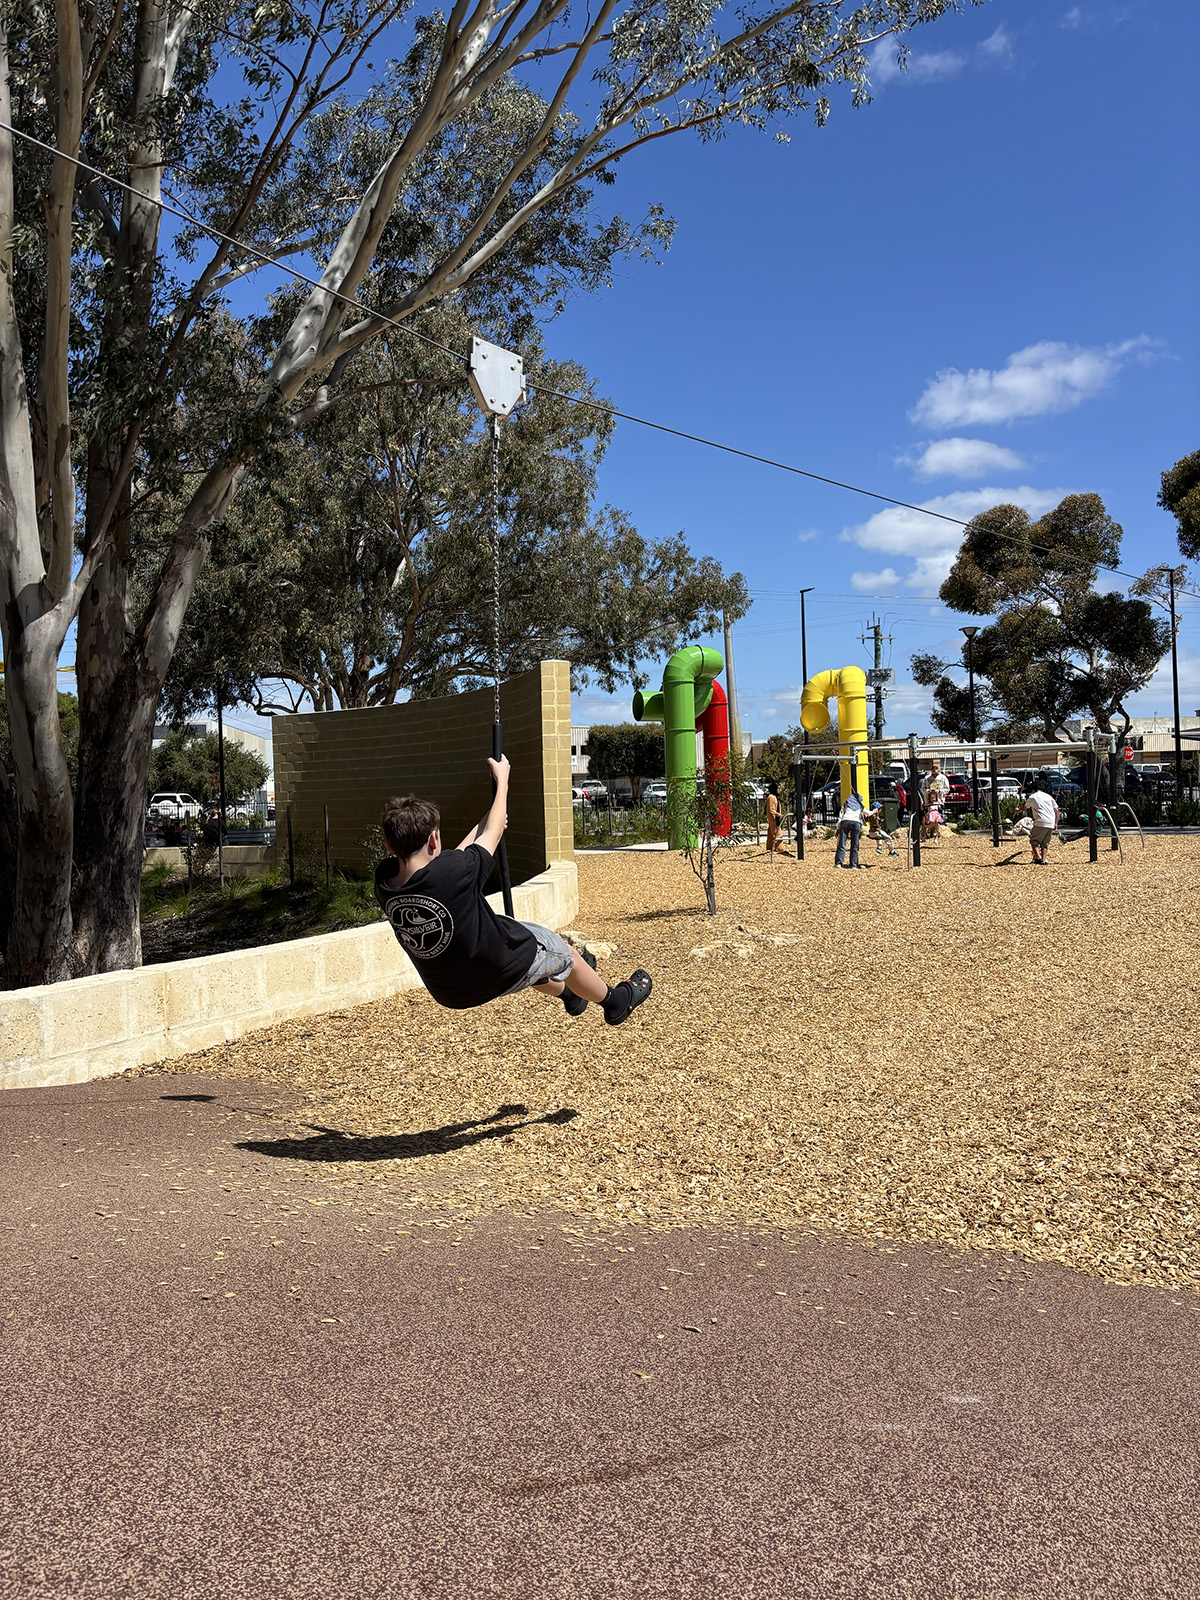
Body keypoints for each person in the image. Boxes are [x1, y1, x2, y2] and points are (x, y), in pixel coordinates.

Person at [374, 756, 652, 1024]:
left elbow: (464, 852)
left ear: (389, 846)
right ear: (434, 840)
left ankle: (571, 996)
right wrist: (502, 781)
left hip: (450, 993)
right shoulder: (454, 871)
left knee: (532, 959)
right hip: (501, 969)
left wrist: (490, 819)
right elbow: (480, 843)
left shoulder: (385, 884)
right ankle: (615, 1001)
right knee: (565, 955)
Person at [1020, 779, 1059, 866]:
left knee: (1034, 841)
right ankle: (1044, 860)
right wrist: (1055, 823)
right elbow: (1056, 809)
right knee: (1045, 843)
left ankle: (1038, 858)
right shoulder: (1048, 796)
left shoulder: (1033, 797)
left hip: (1040, 821)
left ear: (1033, 789)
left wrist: (1017, 810)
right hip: (1050, 822)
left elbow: (1024, 808)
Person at [833, 789, 868, 869]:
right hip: (856, 823)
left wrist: (837, 828)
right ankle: (853, 865)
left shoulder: (846, 804)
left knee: (842, 843)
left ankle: (839, 863)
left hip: (845, 821)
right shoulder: (860, 805)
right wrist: (874, 811)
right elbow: (868, 813)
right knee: (855, 845)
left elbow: (840, 816)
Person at [764, 781, 783, 854]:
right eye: (777, 788)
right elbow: (771, 809)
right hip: (773, 818)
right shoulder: (771, 797)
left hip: (773, 817)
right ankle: (779, 848)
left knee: (771, 832)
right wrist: (778, 814)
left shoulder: (773, 797)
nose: (778, 790)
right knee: (777, 833)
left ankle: (770, 847)